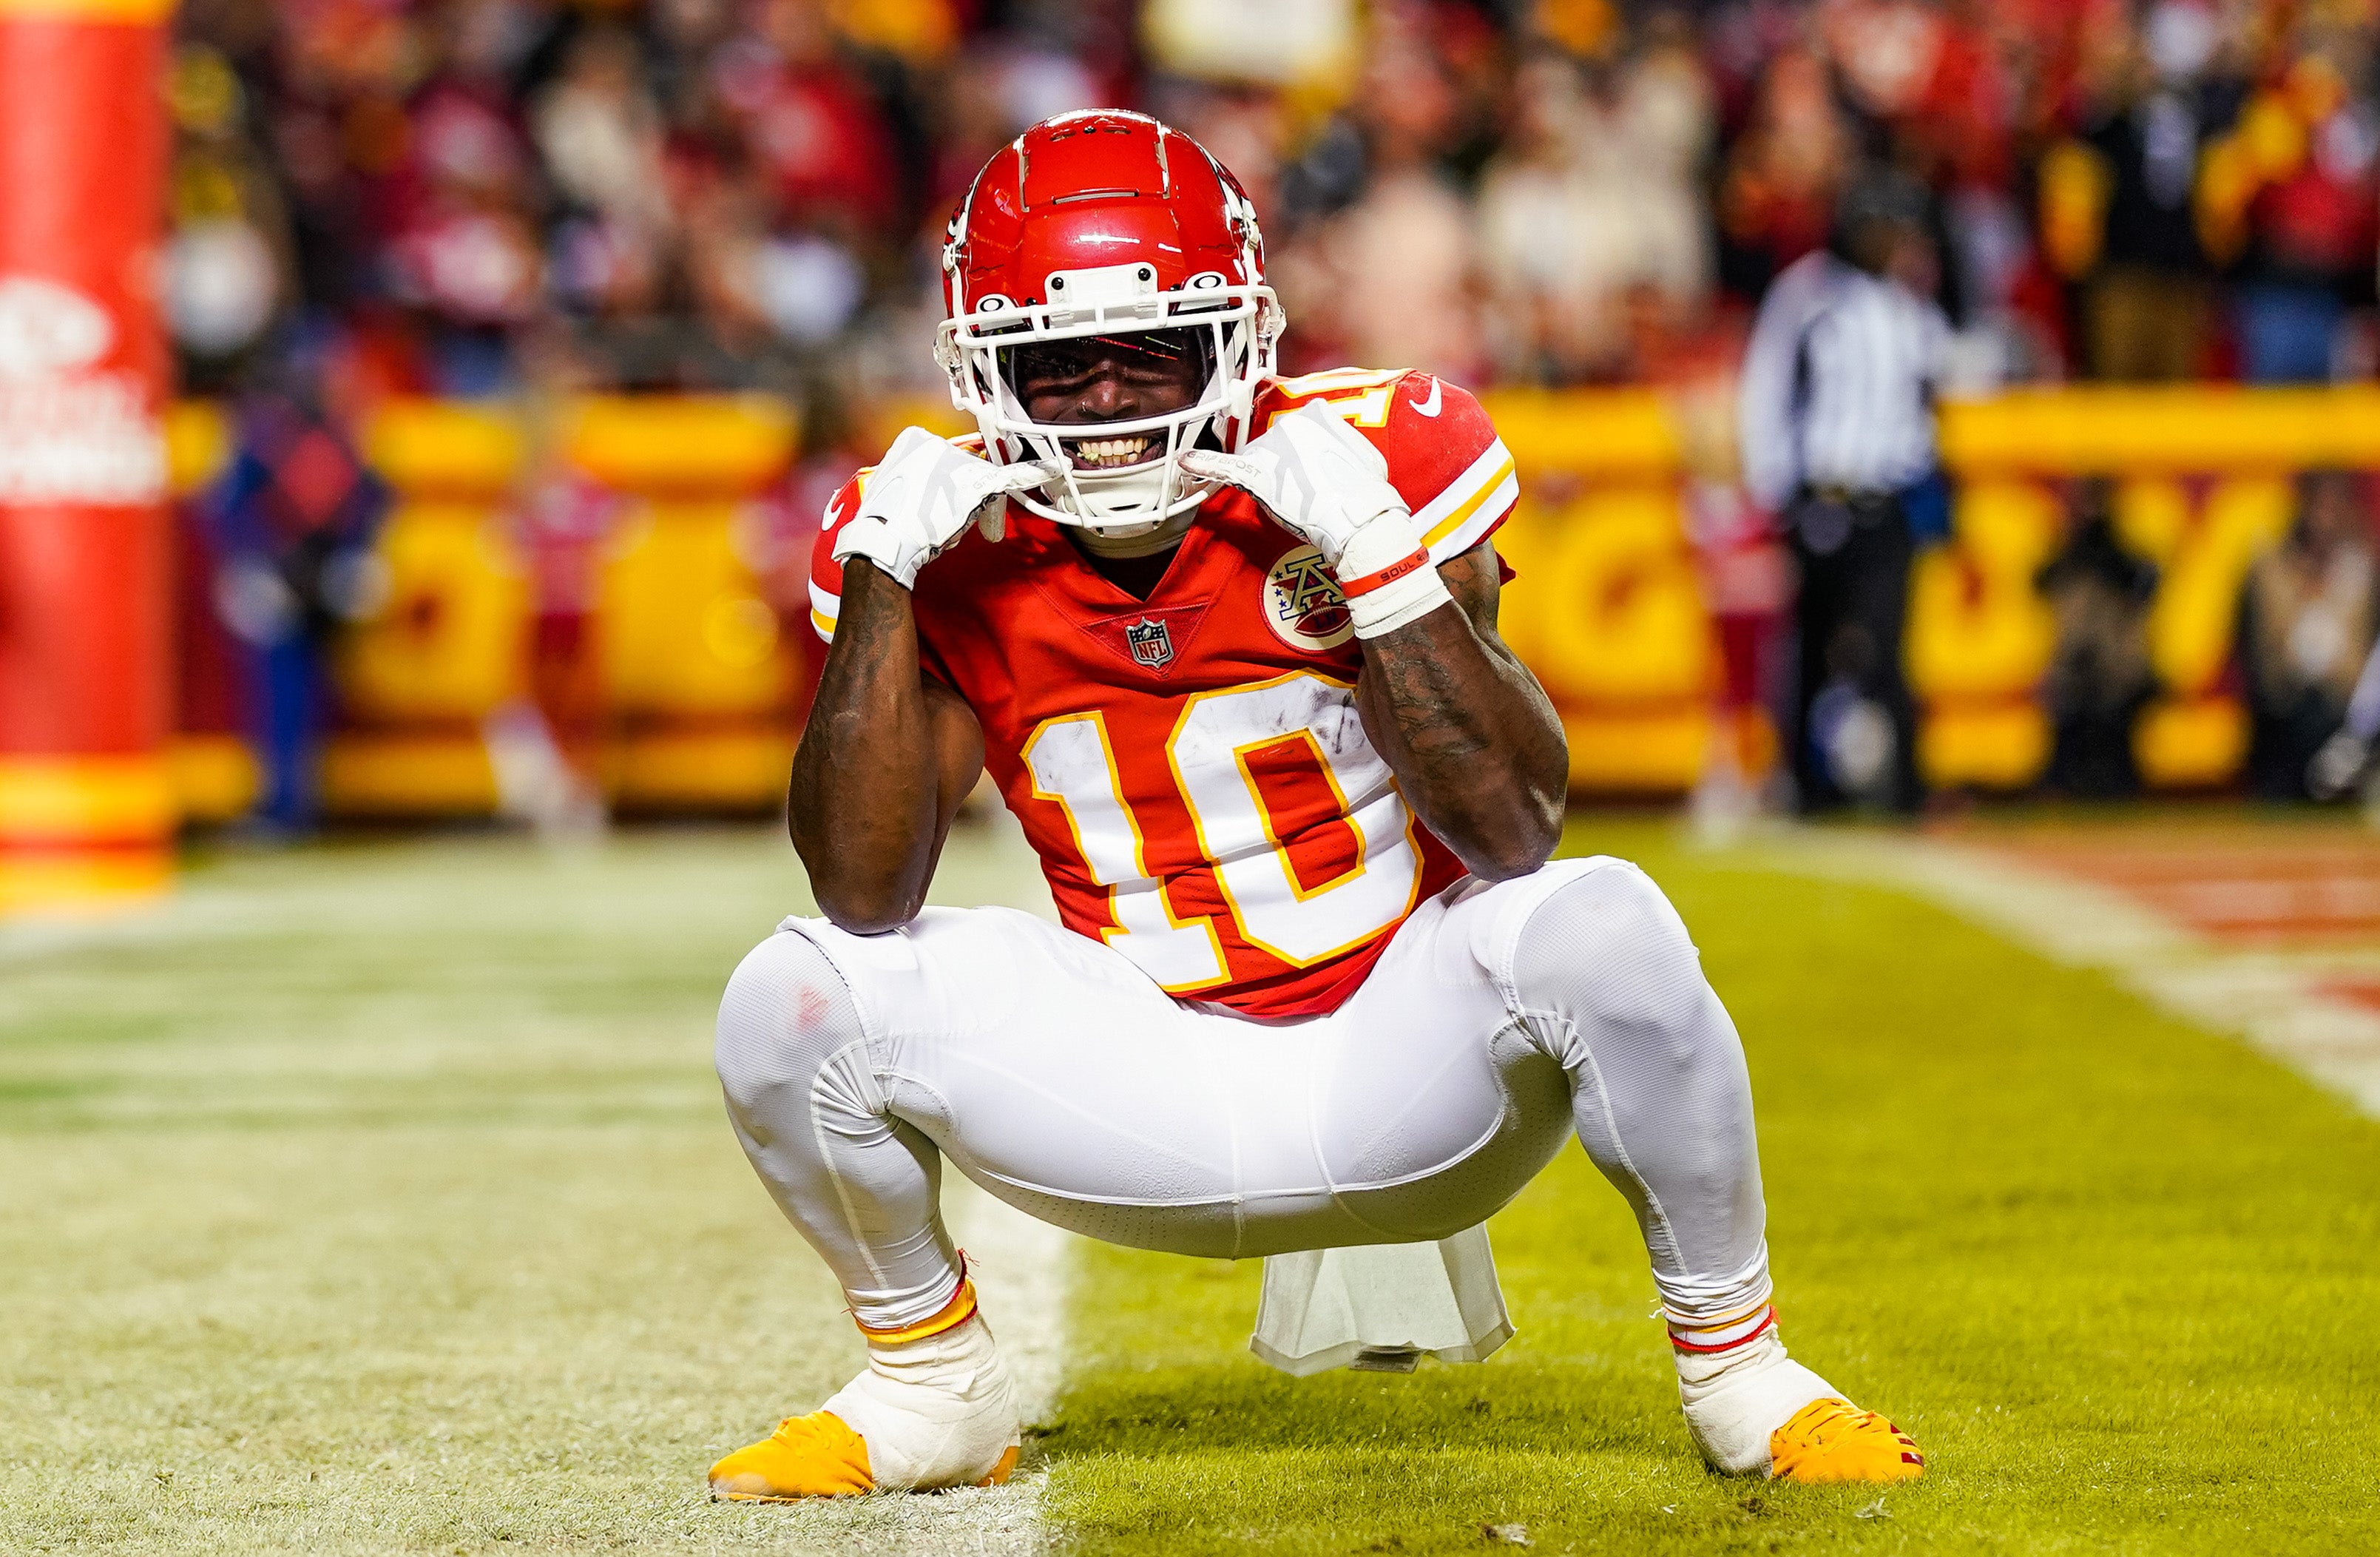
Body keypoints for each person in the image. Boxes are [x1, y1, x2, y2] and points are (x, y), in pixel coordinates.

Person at [706, 110, 1924, 1501]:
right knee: (791, 993)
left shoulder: (1365, 459)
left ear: (1237, 333)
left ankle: (1742, 1374)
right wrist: (881, 585)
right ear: (984, 366)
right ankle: (932, 1384)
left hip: (1401, 1058)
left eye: (1149, 346)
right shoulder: (944, 530)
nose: (1109, 401)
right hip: (1128, 1069)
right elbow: (863, 895)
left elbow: (1514, 828)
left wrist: (1375, 562)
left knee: (1602, 922)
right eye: (1058, 361)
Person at [1737, 169, 1950, 815]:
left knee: (1889, 645)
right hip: (1823, 496)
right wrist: (1774, 486)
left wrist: (1928, 479)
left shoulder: (1908, 305)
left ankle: (1907, 790)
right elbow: (1767, 389)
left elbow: (1927, 394)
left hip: (1887, 499)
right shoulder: (1808, 293)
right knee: (1812, 644)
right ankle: (1803, 788)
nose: (1895, 244)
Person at [2238, 470, 2377, 801]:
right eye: (2318, 505)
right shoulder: (2272, 567)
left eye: (2334, 505)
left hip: (2347, 721)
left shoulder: (2363, 570)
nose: (2325, 518)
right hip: (2285, 716)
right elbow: (2256, 650)